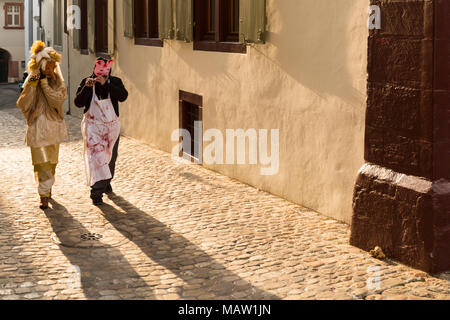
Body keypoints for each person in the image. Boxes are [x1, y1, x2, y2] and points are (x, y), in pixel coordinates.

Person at [16, 41, 68, 209]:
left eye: (53, 67)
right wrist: (33, 84)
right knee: (41, 163)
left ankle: (47, 187)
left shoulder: (58, 83)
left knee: (52, 162)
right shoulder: (32, 82)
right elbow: (24, 104)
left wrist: (45, 84)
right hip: (37, 129)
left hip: (54, 129)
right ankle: (43, 195)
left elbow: (56, 100)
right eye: (48, 67)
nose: (51, 70)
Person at [74, 57, 128, 205]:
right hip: (93, 127)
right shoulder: (87, 81)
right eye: (99, 72)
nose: (101, 76)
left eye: (105, 73)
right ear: (94, 70)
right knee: (96, 159)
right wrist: (86, 88)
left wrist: (108, 85)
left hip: (111, 127)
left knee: (110, 157)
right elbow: (78, 103)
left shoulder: (115, 81)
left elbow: (123, 96)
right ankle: (96, 192)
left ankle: (106, 181)